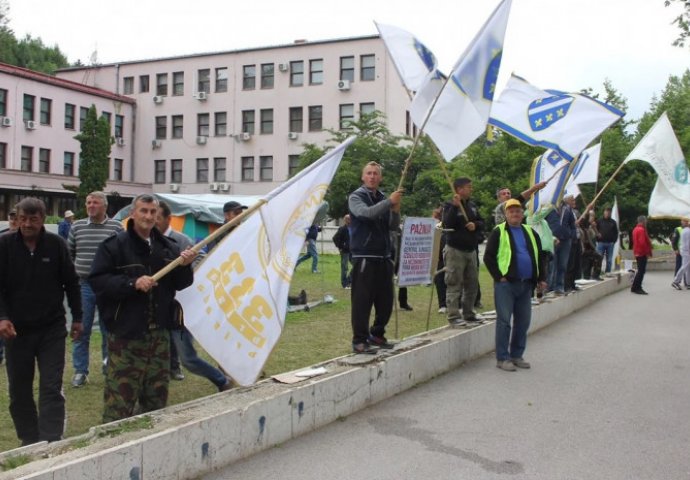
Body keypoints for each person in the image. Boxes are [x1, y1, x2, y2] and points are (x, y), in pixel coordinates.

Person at [89, 194, 197, 422]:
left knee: (156, 399)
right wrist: (132, 283)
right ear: (132, 214)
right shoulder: (114, 246)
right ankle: (113, 446)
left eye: (152, 212)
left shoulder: (169, 247)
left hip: (159, 335)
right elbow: (98, 280)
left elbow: (181, 283)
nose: (148, 216)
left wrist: (185, 266)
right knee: (120, 402)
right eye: (143, 211)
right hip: (126, 335)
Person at [0, 197, 83, 446]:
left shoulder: (56, 245)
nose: (26, 224)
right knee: (19, 389)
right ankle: (29, 439)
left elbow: (72, 283)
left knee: (51, 386)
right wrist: (2, 317)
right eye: (22, 218)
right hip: (16, 330)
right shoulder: (4, 245)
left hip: (51, 328)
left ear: (43, 219)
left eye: (33, 219)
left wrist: (78, 318)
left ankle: (51, 439)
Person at [155, 201, 232, 391]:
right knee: (155, 356)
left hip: (180, 310)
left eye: (156, 217)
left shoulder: (180, 241)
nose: (151, 221)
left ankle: (222, 380)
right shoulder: (147, 241)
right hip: (156, 309)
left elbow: (199, 261)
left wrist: (186, 267)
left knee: (188, 358)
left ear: (167, 219)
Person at [483, 199, 547, 372]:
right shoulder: (499, 232)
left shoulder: (530, 232)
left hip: (526, 284)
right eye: (511, 211)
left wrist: (541, 278)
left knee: (523, 322)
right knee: (504, 322)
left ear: (522, 213)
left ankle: (517, 355)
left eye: (518, 211)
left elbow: (539, 257)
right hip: (506, 285)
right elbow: (488, 257)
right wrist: (499, 277)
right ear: (506, 214)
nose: (515, 214)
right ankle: (502, 358)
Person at [68, 191, 123, 387]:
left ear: (105, 207)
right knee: (81, 328)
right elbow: (70, 253)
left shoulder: (116, 227)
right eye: (88, 202)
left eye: (95, 203)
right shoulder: (77, 226)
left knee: (109, 328)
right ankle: (80, 371)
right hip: (84, 285)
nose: (91, 206)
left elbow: (121, 255)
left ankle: (109, 366)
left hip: (108, 286)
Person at [348, 161, 402, 354]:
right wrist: (389, 202)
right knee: (362, 302)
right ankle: (359, 340)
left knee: (386, 301)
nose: (372, 176)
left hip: (384, 257)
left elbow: (392, 226)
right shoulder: (356, 197)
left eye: (375, 174)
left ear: (380, 178)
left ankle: (377, 334)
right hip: (365, 256)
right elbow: (366, 214)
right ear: (363, 177)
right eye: (369, 173)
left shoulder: (383, 197)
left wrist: (395, 211)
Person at [442, 177, 484, 326]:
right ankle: (453, 316)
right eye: (468, 187)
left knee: (472, 284)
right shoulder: (449, 205)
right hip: (455, 250)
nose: (471, 189)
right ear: (459, 189)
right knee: (454, 283)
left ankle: (469, 313)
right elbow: (447, 223)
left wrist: (475, 224)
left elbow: (482, 221)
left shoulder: (472, 205)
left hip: (471, 250)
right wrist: (454, 207)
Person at [546, 198, 576, 295]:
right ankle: (549, 287)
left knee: (562, 265)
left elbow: (572, 224)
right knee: (552, 265)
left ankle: (559, 287)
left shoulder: (567, 208)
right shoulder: (548, 207)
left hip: (565, 241)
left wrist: (571, 234)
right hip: (552, 240)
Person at [631, 215, 653, 295]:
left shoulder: (635, 229)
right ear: (643, 221)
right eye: (645, 221)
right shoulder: (641, 230)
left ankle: (634, 287)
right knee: (641, 271)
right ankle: (637, 287)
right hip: (641, 253)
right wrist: (647, 252)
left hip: (637, 252)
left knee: (640, 270)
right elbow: (642, 243)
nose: (646, 222)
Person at [432, 206, 447, 313]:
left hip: (450, 256)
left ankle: (456, 304)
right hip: (439, 258)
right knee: (440, 281)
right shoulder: (437, 225)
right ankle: (442, 304)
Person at [596, 206, 619, 274]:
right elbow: (595, 230)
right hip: (601, 243)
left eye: (609, 212)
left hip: (610, 243)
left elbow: (616, 233)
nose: (607, 214)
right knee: (599, 258)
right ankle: (597, 272)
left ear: (610, 213)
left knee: (609, 260)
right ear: (604, 212)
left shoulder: (613, 222)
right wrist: (598, 239)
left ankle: (608, 273)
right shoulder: (599, 221)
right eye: (606, 212)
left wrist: (613, 241)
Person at [332, 214, 352, 289]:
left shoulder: (352, 228)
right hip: (345, 251)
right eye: (349, 219)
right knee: (345, 267)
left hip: (352, 251)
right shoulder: (342, 229)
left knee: (357, 265)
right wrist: (340, 247)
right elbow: (335, 238)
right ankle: (344, 284)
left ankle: (349, 280)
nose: (350, 221)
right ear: (346, 220)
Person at [671, 217, 690, 290]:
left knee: (688, 268)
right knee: (685, 266)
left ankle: (688, 283)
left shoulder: (685, 230)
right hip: (686, 251)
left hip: (684, 250)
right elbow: (688, 244)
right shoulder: (687, 231)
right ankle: (676, 282)